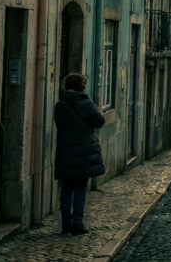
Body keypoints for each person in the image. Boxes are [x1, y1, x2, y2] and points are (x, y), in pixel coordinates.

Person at [53, 73, 105, 234]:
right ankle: (78, 222)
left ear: (66, 86)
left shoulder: (60, 105)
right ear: (82, 86)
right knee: (80, 188)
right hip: (84, 151)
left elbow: (59, 124)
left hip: (66, 151)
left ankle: (65, 223)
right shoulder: (87, 104)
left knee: (66, 188)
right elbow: (99, 121)